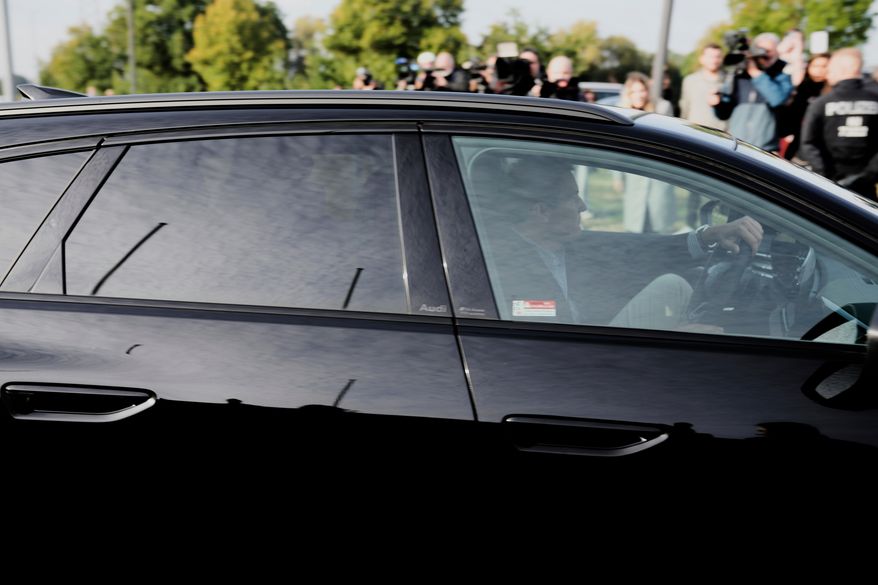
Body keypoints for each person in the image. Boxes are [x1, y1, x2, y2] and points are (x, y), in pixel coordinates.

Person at [483, 157, 763, 328]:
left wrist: (707, 236)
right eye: (572, 198)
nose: (583, 206)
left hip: (588, 351)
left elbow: (638, 250)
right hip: (573, 370)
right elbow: (543, 321)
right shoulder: (504, 260)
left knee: (672, 285)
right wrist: (676, 338)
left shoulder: (563, 245)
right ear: (541, 211)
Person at [799, 48, 878, 200]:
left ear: (839, 69)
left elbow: (808, 143)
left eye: (830, 69)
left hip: (829, 187)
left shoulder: (821, 103)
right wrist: (867, 176)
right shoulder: (875, 100)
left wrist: (825, 176)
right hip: (866, 191)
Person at [615, 72, 676, 233]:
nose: (639, 95)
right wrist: (617, 177)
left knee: (658, 223)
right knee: (636, 225)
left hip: (658, 174)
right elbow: (617, 148)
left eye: (642, 90)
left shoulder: (662, 108)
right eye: (634, 91)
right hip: (633, 175)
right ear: (628, 94)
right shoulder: (620, 112)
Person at [713, 32, 793, 151]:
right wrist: (717, 104)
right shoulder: (739, 77)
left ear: (777, 52)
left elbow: (777, 99)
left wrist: (754, 72)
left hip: (766, 150)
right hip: (736, 146)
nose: (764, 54)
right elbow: (723, 114)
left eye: (768, 50)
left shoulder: (782, 76)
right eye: (761, 49)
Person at [778, 53, 830, 160]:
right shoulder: (801, 89)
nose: (819, 70)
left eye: (824, 66)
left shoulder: (834, 93)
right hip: (798, 147)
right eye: (815, 66)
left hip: (824, 148)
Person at [680, 44, 727, 130]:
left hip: (721, 136)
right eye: (710, 56)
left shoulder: (729, 81)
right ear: (702, 59)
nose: (714, 60)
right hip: (694, 132)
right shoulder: (690, 80)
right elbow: (685, 108)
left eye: (717, 56)